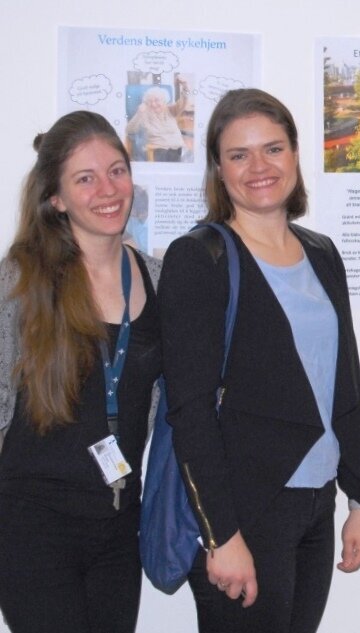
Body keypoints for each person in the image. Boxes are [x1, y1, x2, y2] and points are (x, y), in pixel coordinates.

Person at [158, 88, 360, 633]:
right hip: (245, 510)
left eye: (273, 149)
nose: (259, 167)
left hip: (316, 501)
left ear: (295, 155)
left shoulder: (322, 253)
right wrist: (222, 534)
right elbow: (188, 411)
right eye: (239, 155)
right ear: (219, 168)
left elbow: (343, 382)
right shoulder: (199, 258)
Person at [0, 111, 161, 632]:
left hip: (119, 525)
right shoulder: (21, 282)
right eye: (85, 178)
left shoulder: (156, 277)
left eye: (117, 171)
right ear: (57, 198)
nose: (108, 190)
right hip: (31, 526)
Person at [125, 82, 188, 162]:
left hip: (178, 148)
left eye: (157, 100)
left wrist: (185, 86)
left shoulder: (171, 110)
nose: (153, 104)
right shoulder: (144, 113)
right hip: (158, 150)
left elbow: (183, 102)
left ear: (164, 100)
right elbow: (129, 130)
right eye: (150, 101)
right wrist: (139, 114)